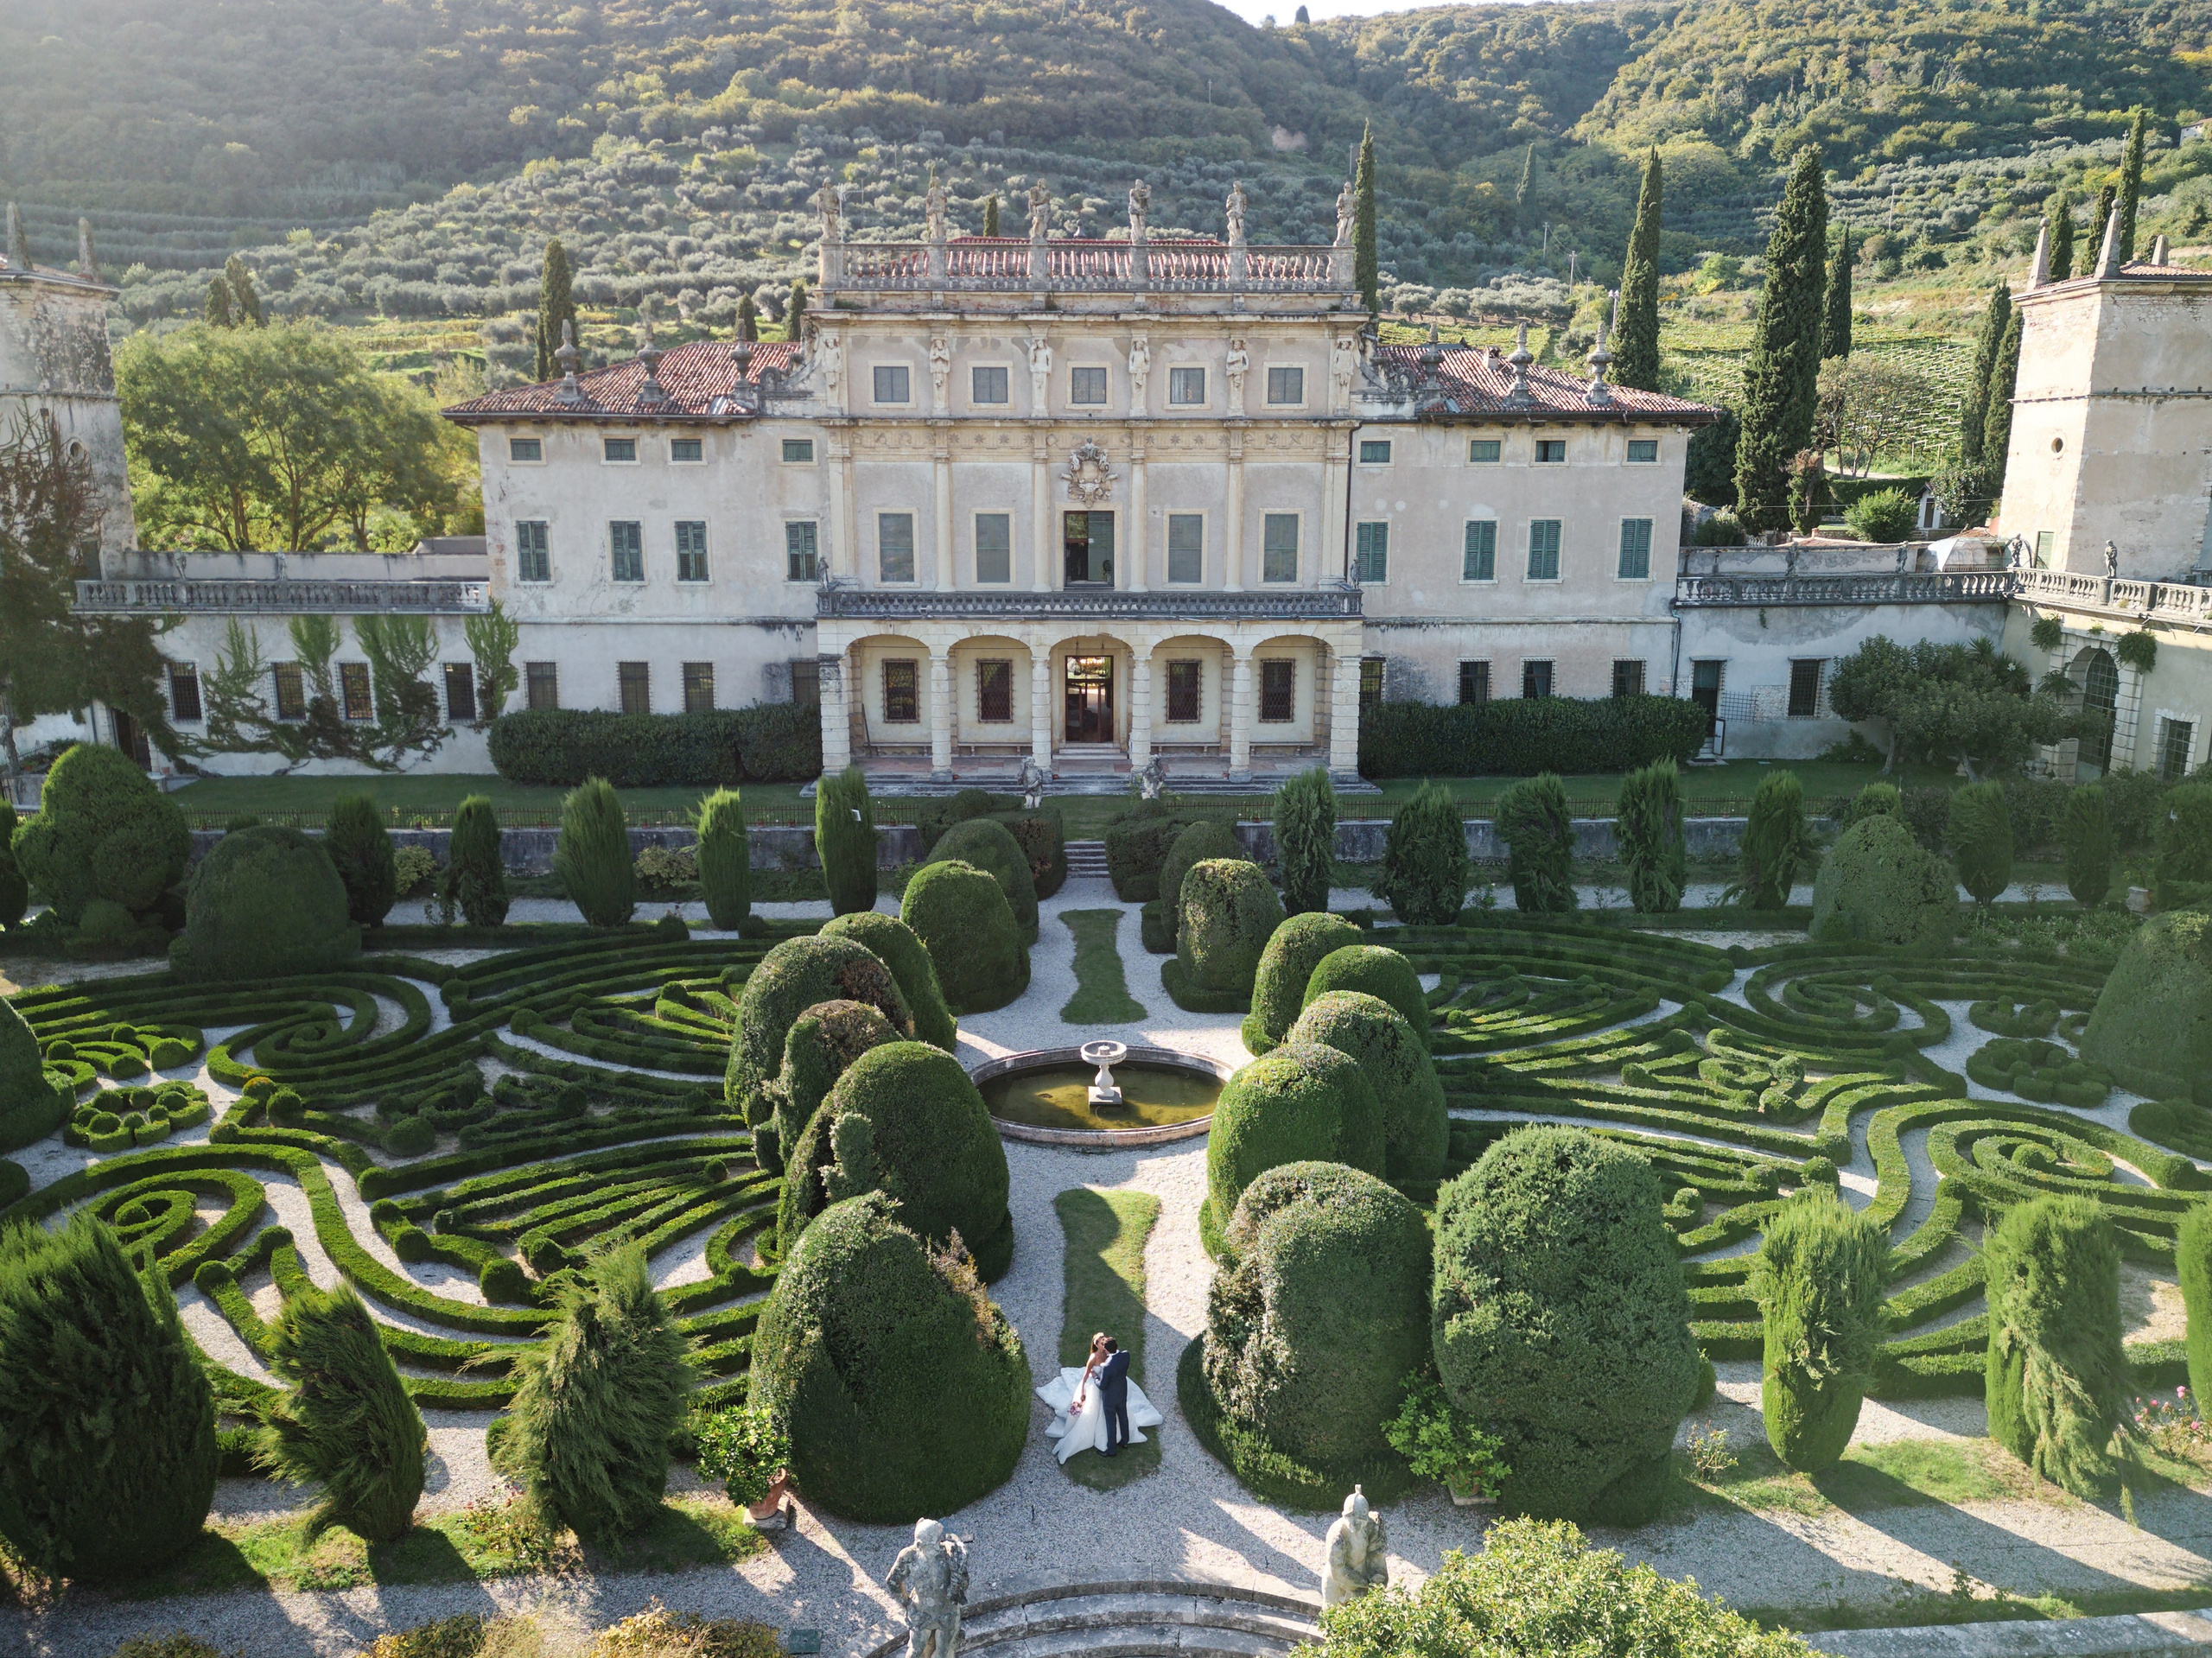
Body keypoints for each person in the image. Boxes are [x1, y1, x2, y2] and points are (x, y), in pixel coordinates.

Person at [1034, 1331, 1162, 1463]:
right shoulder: (1122, 1355)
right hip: (1117, 1392)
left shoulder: (1107, 1363)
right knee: (1120, 1417)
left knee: (1113, 1421)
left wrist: (1096, 1376)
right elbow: (1086, 1375)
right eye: (1100, 1342)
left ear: (1106, 1348)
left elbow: (1102, 1384)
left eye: (1103, 1341)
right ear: (1096, 1345)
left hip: (1109, 1395)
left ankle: (1112, 1449)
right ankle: (1124, 1441)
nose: (1102, 1343)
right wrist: (1083, 1389)